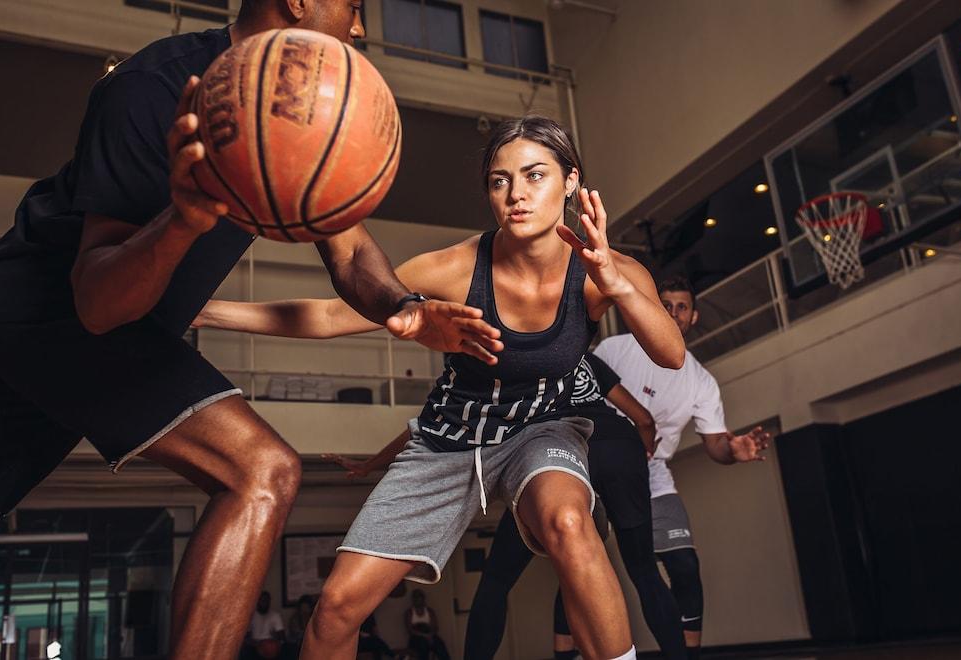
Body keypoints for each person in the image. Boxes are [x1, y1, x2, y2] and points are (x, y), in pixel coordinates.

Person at [0, 2, 497, 658]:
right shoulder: (151, 91)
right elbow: (96, 304)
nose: (359, 27)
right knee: (261, 470)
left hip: (101, 345)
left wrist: (404, 309)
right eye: (352, 5)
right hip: (43, 313)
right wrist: (182, 219)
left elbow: (348, 251)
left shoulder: (298, 111)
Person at [196, 115, 685, 660]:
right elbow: (334, 314)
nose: (516, 194)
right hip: (448, 439)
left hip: (544, 428)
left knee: (569, 521)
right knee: (335, 608)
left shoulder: (604, 270)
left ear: (571, 181)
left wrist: (616, 284)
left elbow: (671, 354)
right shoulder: (455, 267)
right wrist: (203, 312)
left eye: (535, 175)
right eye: (500, 181)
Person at [462, 352, 688, 660]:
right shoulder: (581, 353)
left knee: (497, 580)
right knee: (645, 571)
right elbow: (644, 420)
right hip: (620, 445)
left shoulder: (513, 358)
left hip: (561, 447)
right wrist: (643, 450)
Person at [594, 275, 770, 660]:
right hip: (598, 468)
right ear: (654, 308)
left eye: (682, 307)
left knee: (685, 566)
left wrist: (733, 448)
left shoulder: (700, 381)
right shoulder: (615, 349)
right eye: (666, 305)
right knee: (584, 572)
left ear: (693, 317)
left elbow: (716, 444)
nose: (673, 313)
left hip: (653, 473)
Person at [404, 590, 449, 660]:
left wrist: (430, 635)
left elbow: (435, 627)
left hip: (429, 634)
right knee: (422, 646)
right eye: (416, 598)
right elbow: (410, 630)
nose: (418, 600)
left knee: (440, 645)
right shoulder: (409, 612)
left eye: (419, 598)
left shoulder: (429, 611)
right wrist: (424, 636)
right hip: (417, 637)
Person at [247, 591, 285, 658]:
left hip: (271, 645)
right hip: (255, 645)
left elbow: (282, 637)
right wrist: (255, 643)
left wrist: (275, 636)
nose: (264, 603)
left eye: (266, 601)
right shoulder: (251, 616)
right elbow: (246, 637)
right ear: (257, 601)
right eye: (262, 600)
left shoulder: (275, 615)